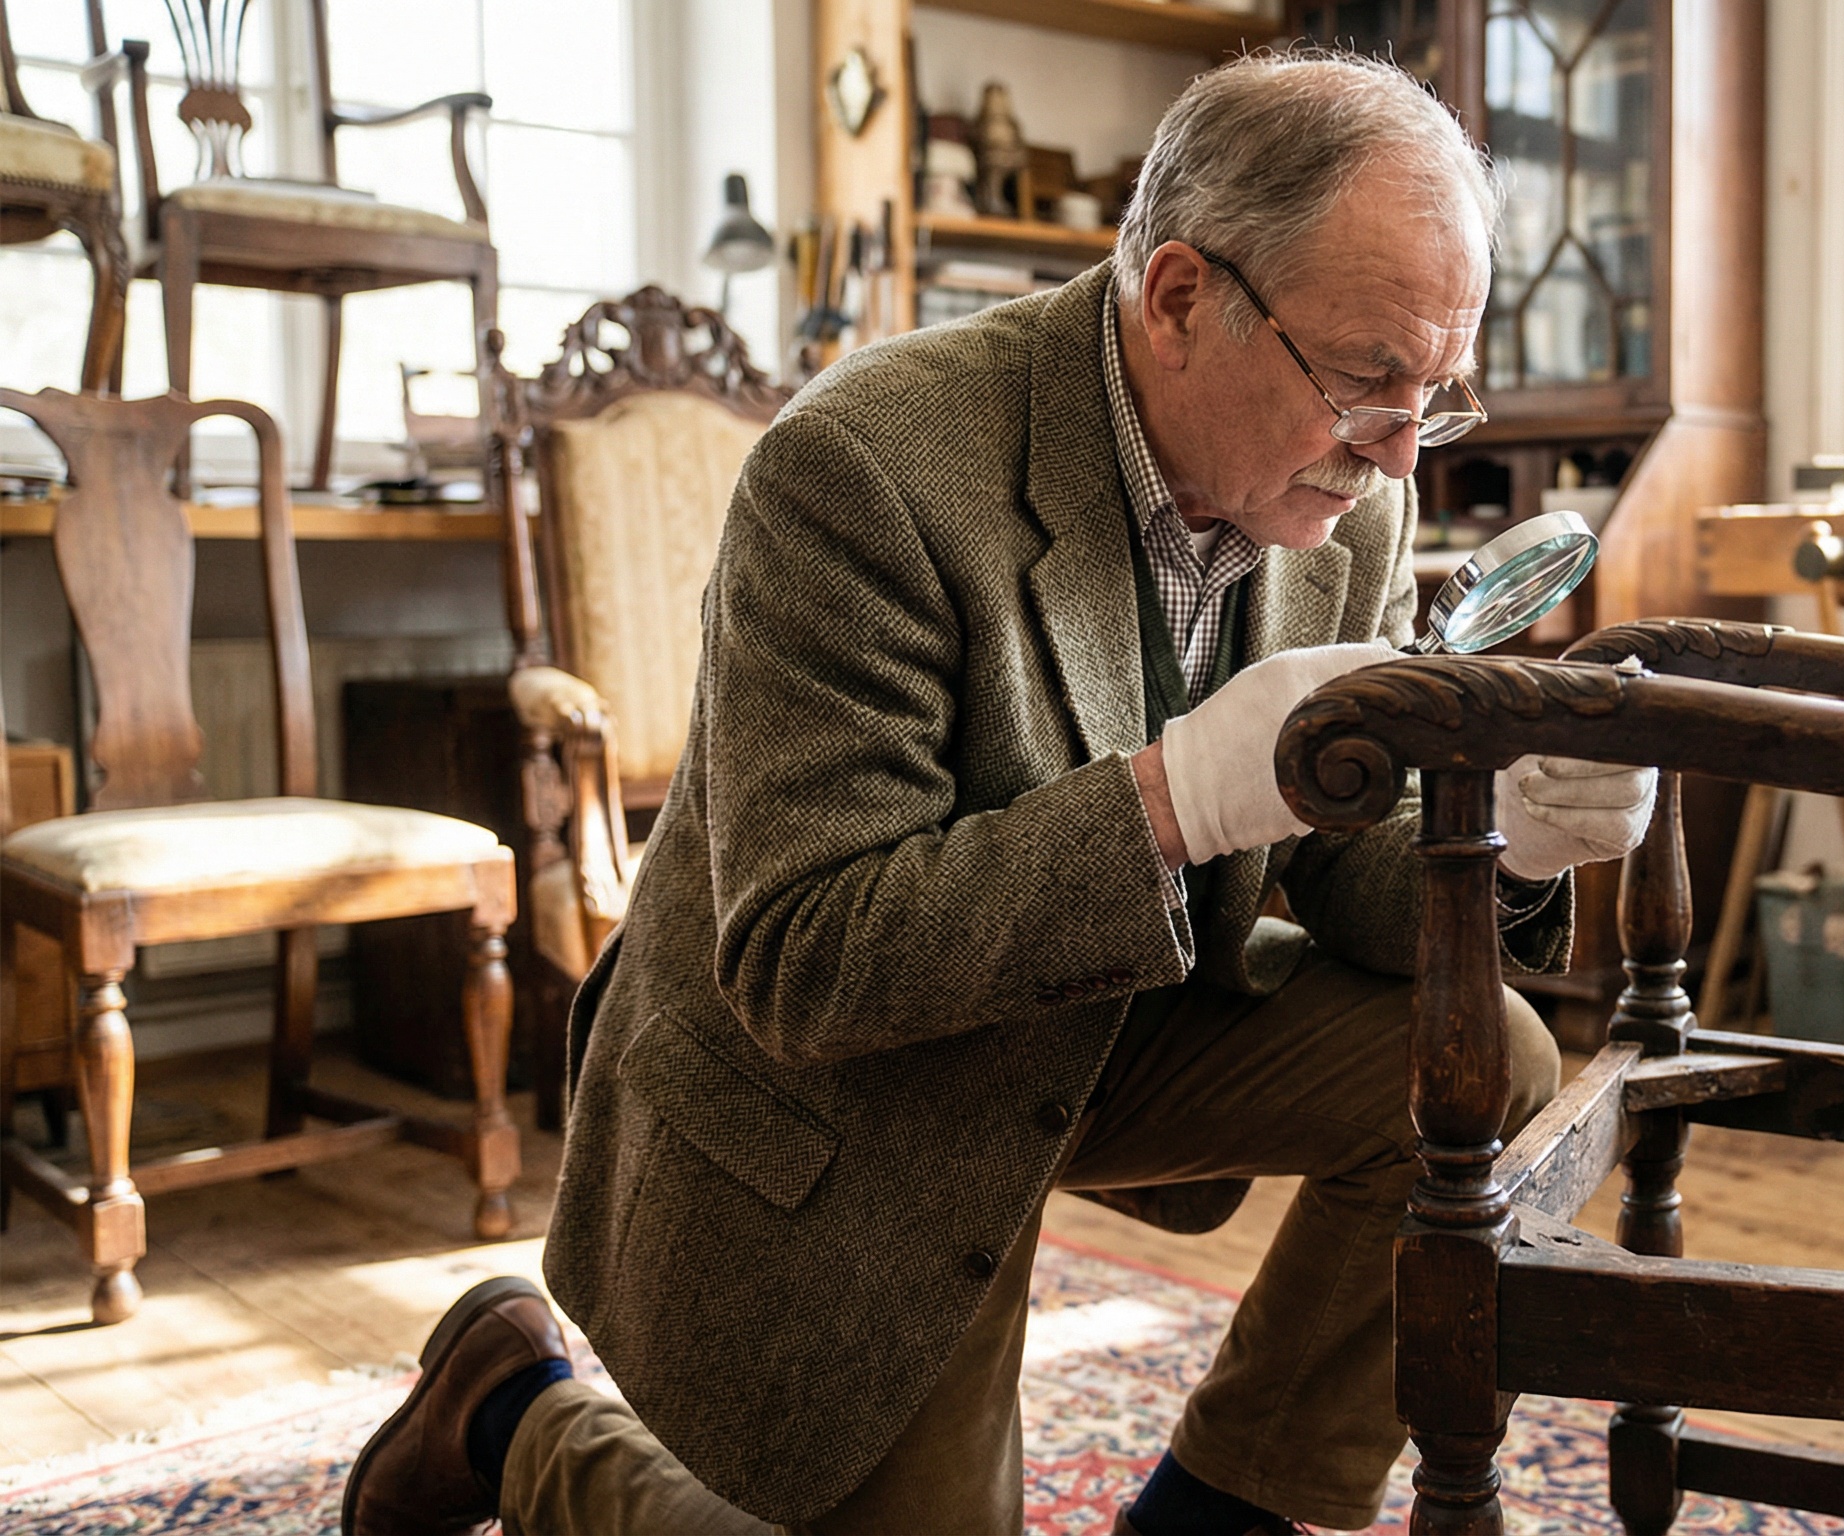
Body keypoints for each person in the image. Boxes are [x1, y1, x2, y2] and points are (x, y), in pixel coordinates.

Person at [342, 49, 1655, 1536]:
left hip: (1111, 1009)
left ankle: (1220, 1514)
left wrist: (1509, 845)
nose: (1404, 447)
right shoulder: (862, 468)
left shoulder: (1353, 495)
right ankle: (514, 1413)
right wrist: (1169, 802)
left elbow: (1348, 871)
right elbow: (805, 962)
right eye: (1365, 381)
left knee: (1487, 1052)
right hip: (844, 1081)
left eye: (1438, 392)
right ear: (1178, 300)